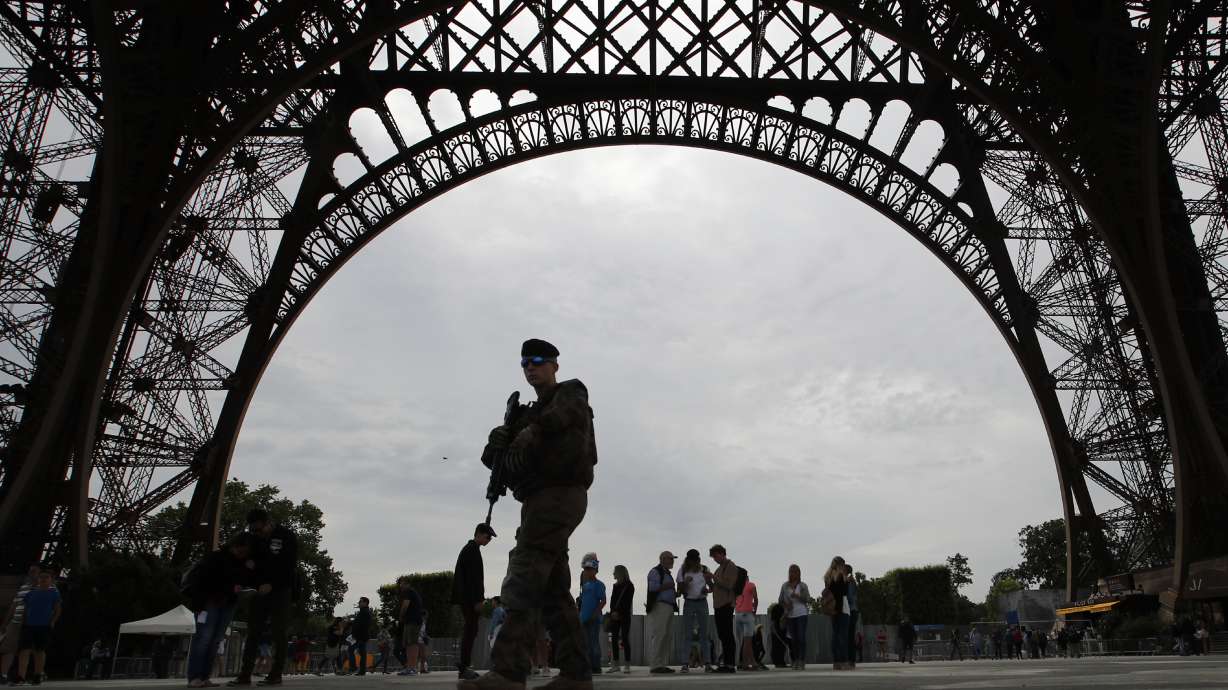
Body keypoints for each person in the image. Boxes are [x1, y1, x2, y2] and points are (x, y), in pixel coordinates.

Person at [461, 339, 599, 690]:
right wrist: (499, 441)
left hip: (560, 494)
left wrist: (529, 430)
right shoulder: (527, 414)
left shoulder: (570, 393)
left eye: (538, 361)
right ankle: (576, 673)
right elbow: (499, 462)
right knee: (553, 590)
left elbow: (559, 418)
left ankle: (508, 672)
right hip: (539, 500)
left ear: (554, 365)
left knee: (523, 575)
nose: (530, 367)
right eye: (525, 363)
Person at [231, 508, 299, 687]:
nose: (257, 533)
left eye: (259, 529)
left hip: (280, 589)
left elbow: (289, 565)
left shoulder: (286, 536)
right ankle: (245, 674)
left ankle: (276, 674)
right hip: (259, 590)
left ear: (268, 523)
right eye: (253, 530)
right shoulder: (254, 539)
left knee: (279, 632)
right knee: (253, 631)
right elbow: (252, 560)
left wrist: (273, 584)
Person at [186, 533, 255, 688]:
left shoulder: (240, 563)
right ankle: (195, 676)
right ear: (236, 546)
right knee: (204, 639)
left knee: (215, 640)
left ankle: (203, 676)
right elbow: (206, 580)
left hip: (227, 602)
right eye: (242, 551)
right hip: (210, 601)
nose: (243, 554)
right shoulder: (216, 558)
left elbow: (243, 581)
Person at [453, 523, 496, 681]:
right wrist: (477, 601)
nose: (489, 539)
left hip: (467, 598)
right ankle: (464, 667)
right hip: (470, 599)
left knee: (471, 631)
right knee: (470, 631)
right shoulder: (471, 551)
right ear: (478, 533)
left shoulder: (471, 549)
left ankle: (464, 666)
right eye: (487, 536)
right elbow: (473, 580)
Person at [13, 570, 61, 686]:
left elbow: (57, 609)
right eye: (41, 577)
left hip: (44, 625)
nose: (43, 579)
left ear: (50, 580)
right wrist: (22, 622)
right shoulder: (30, 593)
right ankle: (21, 676)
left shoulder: (54, 593)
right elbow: (25, 609)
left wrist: (53, 621)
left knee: (40, 650)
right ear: (38, 580)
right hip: (29, 625)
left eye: (46, 577)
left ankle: (37, 675)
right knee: (24, 650)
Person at [0, 565, 40, 684]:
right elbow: (13, 606)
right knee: (8, 648)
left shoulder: (44, 588)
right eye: (30, 571)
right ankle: (3, 675)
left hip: (32, 623)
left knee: (29, 649)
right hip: (16, 622)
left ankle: (30, 675)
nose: (32, 573)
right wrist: (5, 623)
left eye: (35, 571)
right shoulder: (23, 588)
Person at [675, 549, 712, 673]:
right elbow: (678, 591)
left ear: (698, 560)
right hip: (689, 602)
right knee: (687, 634)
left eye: (695, 560)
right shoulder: (683, 570)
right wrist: (684, 583)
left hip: (702, 602)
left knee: (704, 634)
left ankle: (707, 663)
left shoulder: (705, 569)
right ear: (688, 559)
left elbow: (712, 587)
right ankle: (685, 663)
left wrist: (707, 588)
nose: (693, 562)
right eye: (690, 560)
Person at [645, 550, 678, 674]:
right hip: (660, 606)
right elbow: (653, 588)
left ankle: (661, 664)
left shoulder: (666, 573)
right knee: (660, 635)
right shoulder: (655, 572)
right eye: (670, 558)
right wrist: (668, 586)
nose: (672, 561)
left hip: (668, 606)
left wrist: (675, 593)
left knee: (666, 636)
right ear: (663, 559)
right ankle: (655, 665)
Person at [708, 545, 740, 673]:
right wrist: (708, 580)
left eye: (715, 556)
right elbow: (715, 587)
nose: (715, 559)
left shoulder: (730, 566)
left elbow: (729, 585)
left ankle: (730, 664)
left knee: (727, 635)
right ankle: (726, 663)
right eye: (713, 557)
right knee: (722, 635)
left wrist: (713, 577)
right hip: (718, 604)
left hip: (726, 604)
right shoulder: (719, 569)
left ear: (722, 553)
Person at [577, 554, 606, 675]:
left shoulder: (599, 585)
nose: (587, 572)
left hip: (593, 618)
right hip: (583, 618)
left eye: (589, 570)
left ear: (595, 570)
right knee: (586, 642)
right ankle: (587, 665)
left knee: (594, 642)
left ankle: (596, 665)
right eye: (586, 570)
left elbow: (603, 601)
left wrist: (595, 613)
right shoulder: (585, 585)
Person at [778, 564, 810, 670]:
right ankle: (795, 660)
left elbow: (807, 599)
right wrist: (786, 605)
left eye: (795, 571)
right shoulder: (785, 586)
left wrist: (798, 596)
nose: (793, 573)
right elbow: (780, 600)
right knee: (794, 639)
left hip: (801, 614)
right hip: (790, 615)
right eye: (791, 571)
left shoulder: (803, 585)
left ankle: (802, 660)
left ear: (799, 573)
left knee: (801, 637)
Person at [823, 556, 850, 670]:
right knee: (842, 636)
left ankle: (836, 662)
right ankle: (843, 661)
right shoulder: (840, 575)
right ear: (840, 564)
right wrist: (845, 578)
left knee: (835, 635)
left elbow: (830, 592)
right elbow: (844, 592)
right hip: (841, 608)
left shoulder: (827, 576)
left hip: (832, 608)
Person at [607, 566, 633, 674]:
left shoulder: (629, 586)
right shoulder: (615, 586)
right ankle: (616, 664)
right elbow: (612, 601)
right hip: (614, 616)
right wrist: (613, 612)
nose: (613, 574)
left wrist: (619, 613)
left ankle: (627, 665)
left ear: (620, 573)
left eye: (614, 572)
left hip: (625, 615)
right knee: (614, 639)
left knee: (625, 638)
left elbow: (627, 602)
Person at [396, 577, 425, 676]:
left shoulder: (409, 592)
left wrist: (401, 616)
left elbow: (405, 605)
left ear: (408, 584)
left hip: (413, 621)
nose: (401, 585)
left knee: (412, 644)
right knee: (409, 644)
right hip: (411, 621)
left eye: (402, 583)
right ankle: (410, 667)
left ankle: (412, 668)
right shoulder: (412, 592)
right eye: (400, 584)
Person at [734, 572, 760, 671]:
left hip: (737, 615)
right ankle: (744, 663)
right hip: (747, 614)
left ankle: (753, 662)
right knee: (747, 642)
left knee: (742, 642)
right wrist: (754, 611)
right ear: (747, 578)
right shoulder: (751, 585)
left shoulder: (736, 587)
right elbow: (756, 599)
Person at [351, 597, 374, 676]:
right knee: (361, 652)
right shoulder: (364, 612)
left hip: (361, 636)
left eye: (360, 602)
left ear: (365, 603)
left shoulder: (364, 612)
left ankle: (358, 669)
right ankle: (360, 669)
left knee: (358, 652)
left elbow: (362, 625)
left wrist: (356, 633)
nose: (359, 603)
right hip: (361, 636)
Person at [843, 563, 859, 670]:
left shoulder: (849, 582)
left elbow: (850, 598)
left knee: (848, 637)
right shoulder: (850, 581)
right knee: (849, 636)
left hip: (850, 611)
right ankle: (850, 660)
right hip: (852, 610)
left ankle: (850, 660)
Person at [767, 604, 789, 668]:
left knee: (781, 645)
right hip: (777, 629)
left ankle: (780, 662)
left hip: (781, 629)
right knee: (778, 645)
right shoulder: (777, 608)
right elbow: (773, 622)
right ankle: (778, 662)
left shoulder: (784, 608)